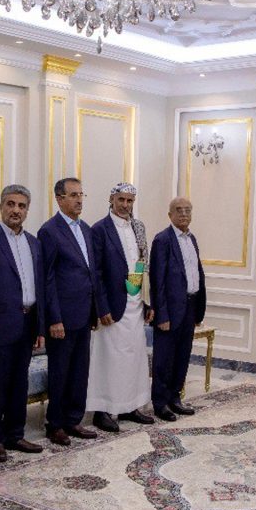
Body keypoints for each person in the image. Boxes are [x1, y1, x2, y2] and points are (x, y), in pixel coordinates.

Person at [0, 185, 46, 462]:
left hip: (28, 324)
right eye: (11, 204)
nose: (16, 210)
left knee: (19, 383)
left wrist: (40, 328)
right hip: (0, 328)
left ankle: (15, 434)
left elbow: (39, 288)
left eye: (21, 206)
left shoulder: (34, 243)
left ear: (27, 210)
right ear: (1, 206)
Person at [87, 183, 154, 432]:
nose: (125, 205)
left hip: (135, 302)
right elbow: (96, 273)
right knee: (110, 359)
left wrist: (146, 301)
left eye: (130, 201)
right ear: (111, 199)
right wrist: (101, 307)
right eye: (121, 200)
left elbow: (142, 264)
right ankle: (104, 410)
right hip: (111, 307)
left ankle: (131, 405)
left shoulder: (138, 227)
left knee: (134, 357)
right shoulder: (99, 229)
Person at [38, 178, 99, 446]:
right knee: (60, 372)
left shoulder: (85, 229)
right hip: (62, 317)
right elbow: (47, 278)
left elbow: (90, 272)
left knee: (79, 371)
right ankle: (55, 424)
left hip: (84, 314)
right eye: (73, 195)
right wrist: (54, 318)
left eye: (81, 194)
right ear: (59, 199)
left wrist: (95, 311)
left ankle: (74, 419)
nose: (79, 200)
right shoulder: (49, 231)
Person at [149, 197, 206, 421]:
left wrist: (198, 310)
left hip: (190, 307)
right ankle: (160, 403)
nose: (183, 214)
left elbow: (196, 274)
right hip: (170, 310)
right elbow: (157, 281)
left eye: (187, 210)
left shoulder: (192, 239)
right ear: (170, 214)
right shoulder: (162, 240)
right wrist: (161, 314)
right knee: (164, 359)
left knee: (182, 356)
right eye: (179, 210)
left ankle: (175, 398)